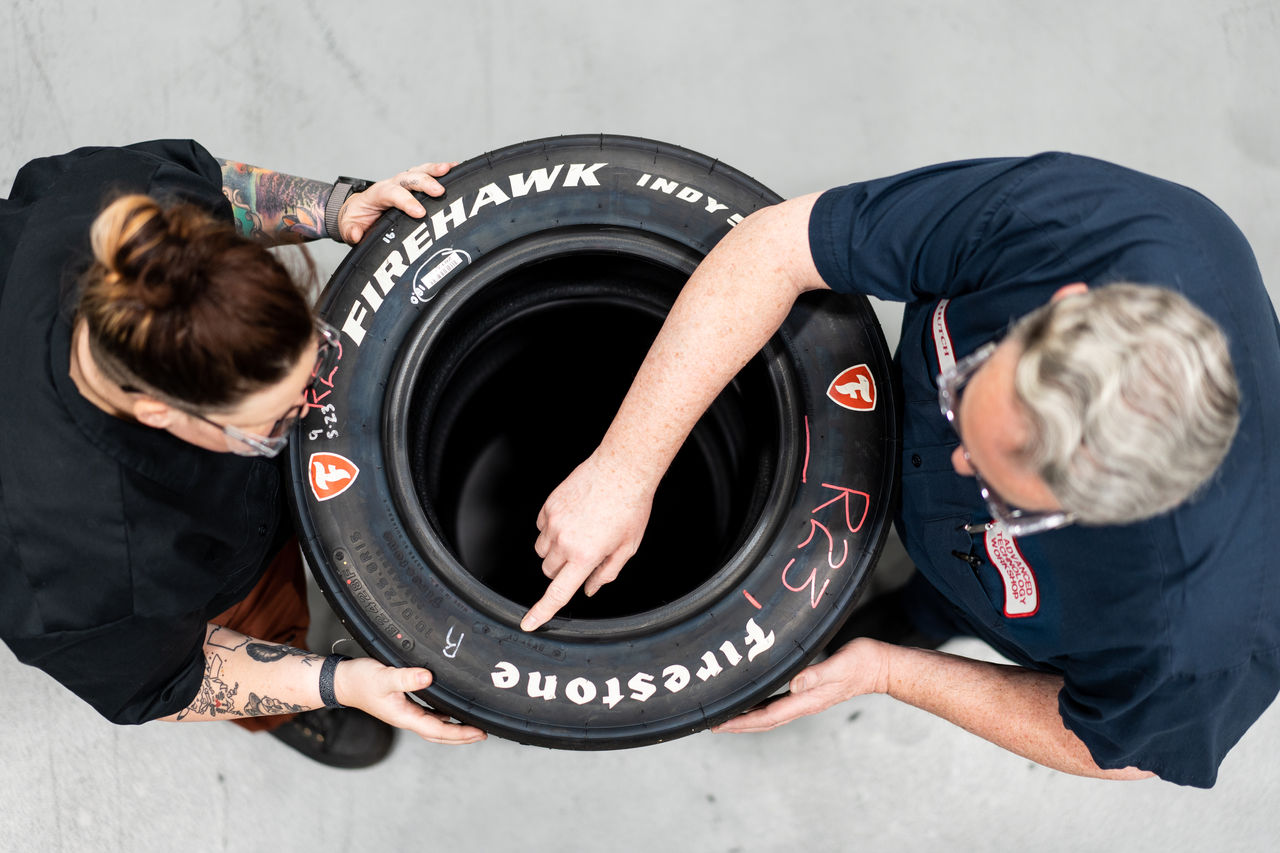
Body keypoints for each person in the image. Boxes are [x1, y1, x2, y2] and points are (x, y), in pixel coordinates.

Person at [523, 152, 1280, 788]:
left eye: (997, 488)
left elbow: (1114, 746)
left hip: (999, 596)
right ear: (1067, 305)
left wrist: (892, 672)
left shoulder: (1195, 642)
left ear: (1112, 511)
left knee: (935, 611)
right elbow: (778, 245)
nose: (954, 457)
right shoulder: (1091, 227)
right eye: (968, 393)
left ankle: (917, 615)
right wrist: (624, 465)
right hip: (928, 460)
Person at [0, 139, 485, 769]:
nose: (319, 410)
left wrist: (337, 210)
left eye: (318, 355)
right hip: (200, 575)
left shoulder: (131, 203)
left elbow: (212, 188)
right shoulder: (87, 572)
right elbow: (170, 681)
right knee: (261, 620)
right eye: (275, 424)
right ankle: (287, 711)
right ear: (159, 413)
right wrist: (339, 683)